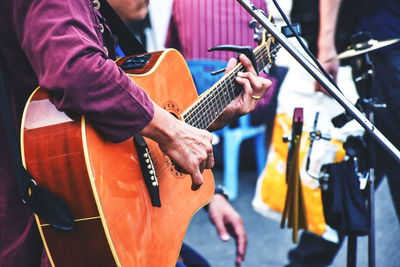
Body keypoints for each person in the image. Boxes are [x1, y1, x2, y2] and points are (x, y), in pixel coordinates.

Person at [0, 0, 272, 266]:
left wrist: (208, 117)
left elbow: (110, 114)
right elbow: (77, 73)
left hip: (87, 209)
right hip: (44, 219)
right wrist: (172, 132)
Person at [287, 0, 400, 266]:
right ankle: (305, 260)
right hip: (382, 42)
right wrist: (326, 48)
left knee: (371, 161)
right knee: (377, 158)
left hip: (387, 38)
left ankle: (306, 260)